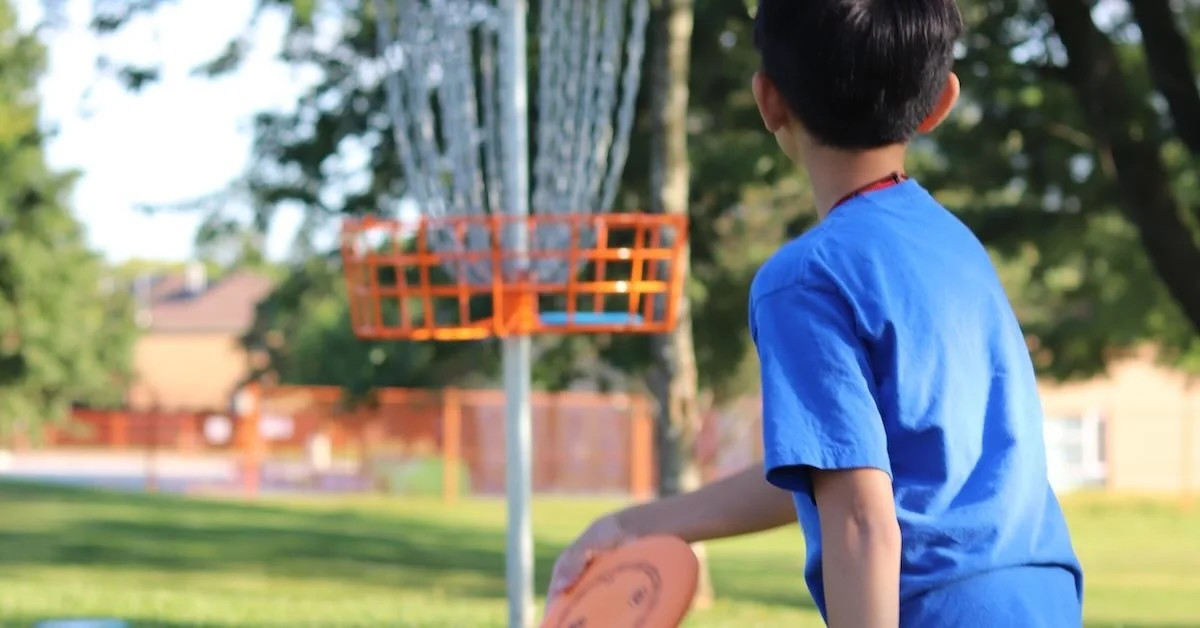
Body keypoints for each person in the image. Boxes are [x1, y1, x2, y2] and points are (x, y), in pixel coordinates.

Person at [545, 0, 1085, 626]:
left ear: (769, 100)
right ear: (941, 101)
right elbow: (835, 468)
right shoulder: (953, 245)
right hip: (1042, 602)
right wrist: (636, 523)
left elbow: (861, 517)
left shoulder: (805, 281)